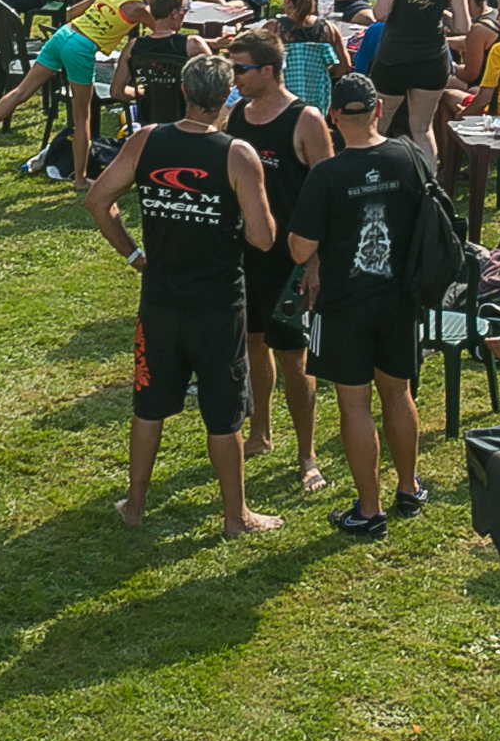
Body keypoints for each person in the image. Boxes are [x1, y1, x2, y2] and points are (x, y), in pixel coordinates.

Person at [82, 53, 282, 535]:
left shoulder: (148, 140)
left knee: (148, 406)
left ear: (186, 92)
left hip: (160, 299)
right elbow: (262, 238)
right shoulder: (237, 154)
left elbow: (97, 199)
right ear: (224, 98)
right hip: (217, 305)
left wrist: (134, 255)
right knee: (224, 416)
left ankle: (133, 505)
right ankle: (236, 517)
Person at [288, 74, 433, 540]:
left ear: (333, 118)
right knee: (398, 392)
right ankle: (409, 488)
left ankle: (369, 510)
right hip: (398, 299)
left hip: (343, 304)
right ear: (376, 111)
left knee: (355, 403)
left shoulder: (327, 175)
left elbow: (298, 247)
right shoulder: (409, 155)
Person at [226, 30, 333, 493]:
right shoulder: (237, 115)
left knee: (294, 358)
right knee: (253, 345)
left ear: (267, 71)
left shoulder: (305, 120)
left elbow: (327, 195)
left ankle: (307, 454)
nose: (235, 78)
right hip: (247, 254)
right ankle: (261, 432)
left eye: (241, 69)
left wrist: (316, 264)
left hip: (291, 259)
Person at [0, 0, 165, 185]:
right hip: (81, 48)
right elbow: (163, 31)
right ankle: (80, 178)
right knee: (82, 116)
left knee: (21, 91)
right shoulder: (139, 9)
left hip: (63, 35)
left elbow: (71, 12)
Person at [365, 0, 472, 169]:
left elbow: (380, 13)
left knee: (379, 125)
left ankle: (372, 177)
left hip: (395, 57)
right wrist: (437, 12)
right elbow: (463, 25)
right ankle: (430, 188)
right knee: (422, 129)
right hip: (431, 60)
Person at [273, 0, 353, 111]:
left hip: (281, 100)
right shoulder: (329, 29)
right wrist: (323, 74)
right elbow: (345, 65)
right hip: (317, 101)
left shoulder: (274, 28)